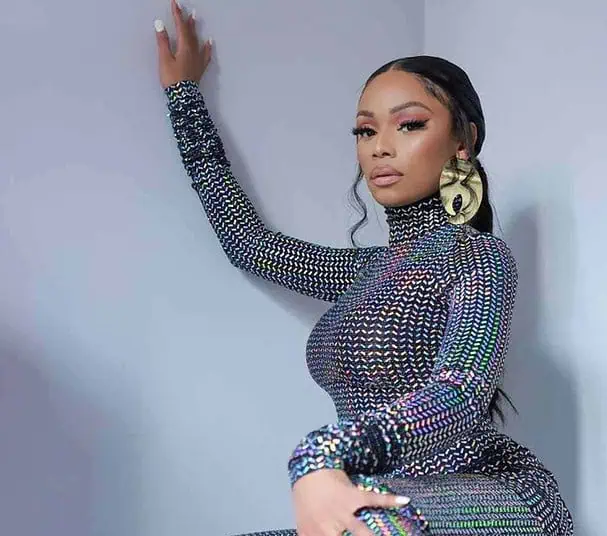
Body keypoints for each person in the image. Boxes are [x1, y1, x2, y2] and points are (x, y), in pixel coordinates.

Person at [154, 1, 574, 534]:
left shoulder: (476, 255)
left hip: (497, 500)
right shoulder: (363, 271)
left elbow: (461, 392)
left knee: (372, 520)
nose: (380, 148)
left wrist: (327, 451)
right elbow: (249, 244)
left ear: (463, 141)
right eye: (365, 132)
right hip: (378, 504)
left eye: (409, 125)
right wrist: (184, 96)